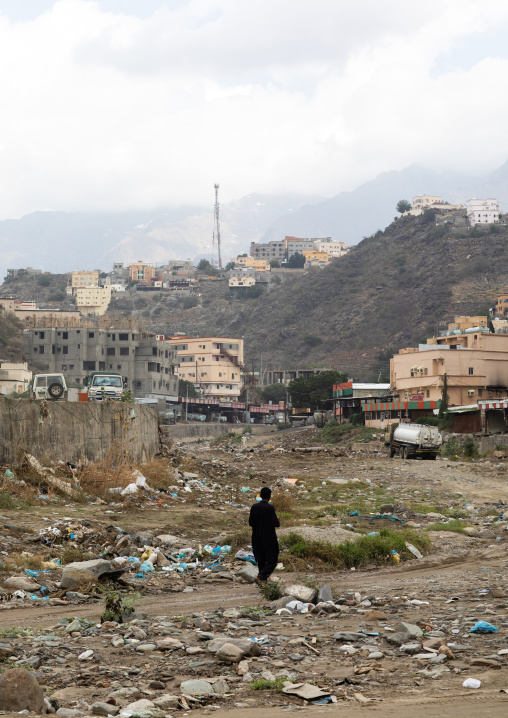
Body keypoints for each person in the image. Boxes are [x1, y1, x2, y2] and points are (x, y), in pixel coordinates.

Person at [249, 486, 280, 582]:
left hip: (256, 537)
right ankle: (261, 576)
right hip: (268, 538)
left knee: (261, 560)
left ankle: (263, 581)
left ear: (260, 495)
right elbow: (275, 524)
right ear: (269, 496)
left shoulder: (254, 507)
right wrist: (277, 519)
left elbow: (251, 523)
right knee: (272, 560)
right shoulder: (270, 508)